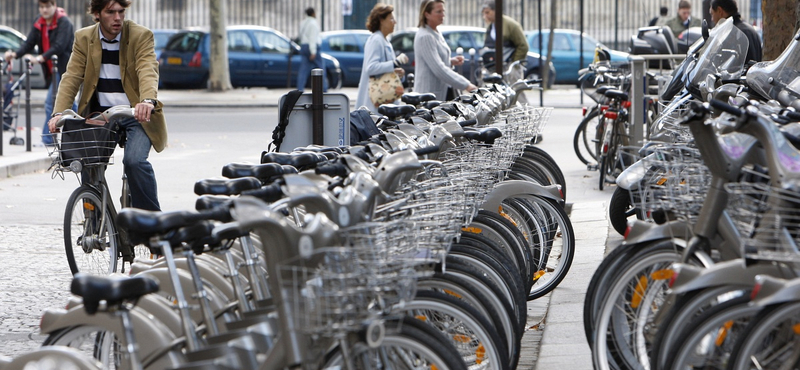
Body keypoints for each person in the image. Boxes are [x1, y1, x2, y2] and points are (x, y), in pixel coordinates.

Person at [48, 0, 167, 211]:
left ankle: (151, 224)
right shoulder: (84, 38)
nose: (118, 18)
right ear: (97, 14)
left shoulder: (140, 35)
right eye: (110, 12)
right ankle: (93, 223)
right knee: (88, 163)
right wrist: (58, 113)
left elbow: (147, 68)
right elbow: (72, 77)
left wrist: (147, 100)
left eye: (121, 12)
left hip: (135, 115)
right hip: (100, 116)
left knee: (135, 162)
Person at [4, 0, 76, 146]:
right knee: (72, 106)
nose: (44, 10)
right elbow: (29, 42)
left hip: (64, 69)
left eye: (47, 6)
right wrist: (15, 55)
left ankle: (48, 140)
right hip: (51, 71)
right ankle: (83, 131)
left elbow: (59, 46)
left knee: (51, 103)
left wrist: (40, 58)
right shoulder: (39, 22)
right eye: (42, 7)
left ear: (54, 5)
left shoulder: (64, 23)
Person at [413, 0, 477, 101]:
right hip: (429, 96)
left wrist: (450, 61)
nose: (443, 15)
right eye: (438, 12)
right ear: (427, 14)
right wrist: (466, 85)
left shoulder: (435, 32)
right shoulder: (426, 36)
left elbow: (433, 60)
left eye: (443, 11)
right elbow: (438, 68)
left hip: (441, 93)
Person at [355, 3, 408, 113]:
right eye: (391, 18)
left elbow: (385, 68)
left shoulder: (385, 40)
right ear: (381, 20)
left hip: (383, 100)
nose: (395, 22)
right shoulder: (376, 40)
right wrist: (395, 63)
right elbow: (371, 68)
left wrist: (397, 72)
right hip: (374, 101)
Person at [297, 7, 328, 92]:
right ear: (313, 13)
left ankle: (300, 89)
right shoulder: (313, 23)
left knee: (303, 70)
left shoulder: (303, 23)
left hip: (303, 46)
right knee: (321, 68)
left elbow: (300, 36)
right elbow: (312, 38)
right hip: (312, 47)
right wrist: (313, 51)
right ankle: (324, 89)